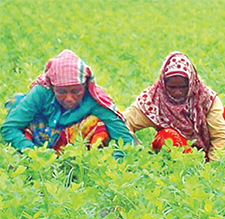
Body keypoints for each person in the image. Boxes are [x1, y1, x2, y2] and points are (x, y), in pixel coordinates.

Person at [123, 52, 225, 161]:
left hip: (212, 152)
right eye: (172, 87)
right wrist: (136, 148)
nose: (178, 92)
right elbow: (124, 122)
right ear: (163, 84)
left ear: (191, 82)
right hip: (183, 156)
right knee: (167, 136)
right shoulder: (154, 99)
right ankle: (187, 166)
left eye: (183, 87)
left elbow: (220, 137)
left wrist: (214, 168)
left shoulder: (206, 98)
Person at [1, 50, 136, 152]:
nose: (69, 98)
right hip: (38, 131)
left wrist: (115, 160)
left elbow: (125, 139)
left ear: (84, 86)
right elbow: (9, 128)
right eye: (62, 92)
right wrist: (33, 152)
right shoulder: (41, 92)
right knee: (18, 109)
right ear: (53, 87)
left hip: (71, 140)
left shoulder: (93, 99)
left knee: (97, 125)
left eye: (76, 91)